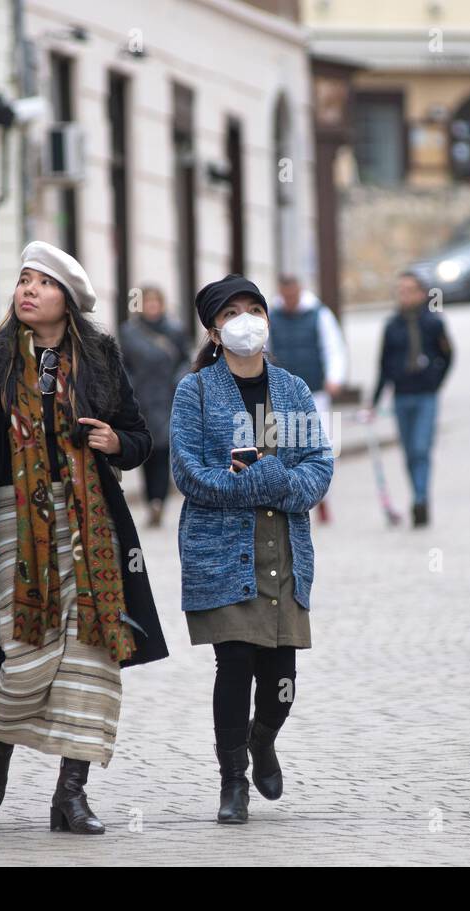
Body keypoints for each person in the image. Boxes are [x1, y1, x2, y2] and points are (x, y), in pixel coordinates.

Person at [0, 240, 169, 835]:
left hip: (92, 525)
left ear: (67, 301)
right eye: (23, 280)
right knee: (27, 652)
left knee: (93, 656)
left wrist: (116, 443)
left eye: (43, 283)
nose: (28, 290)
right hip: (15, 524)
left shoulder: (101, 361)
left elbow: (138, 438)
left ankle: (72, 796)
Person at [169, 274, 334, 825]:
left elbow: (318, 466)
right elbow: (188, 474)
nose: (245, 319)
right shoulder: (194, 391)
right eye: (232, 312)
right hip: (220, 553)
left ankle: (263, 740)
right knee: (234, 664)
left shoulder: (292, 390)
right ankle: (231, 780)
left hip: (282, 551)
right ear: (215, 331)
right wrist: (257, 482)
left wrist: (273, 479)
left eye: (253, 309)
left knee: (280, 682)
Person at [364, 271, 453, 528]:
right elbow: (383, 366)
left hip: (426, 395)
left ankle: (421, 499)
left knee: (421, 448)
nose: (404, 295)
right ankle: (417, 494)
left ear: (421, 293)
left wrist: (436, 381)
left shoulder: (433, 323)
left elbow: (447, 355)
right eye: (400, 290)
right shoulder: (392, 326)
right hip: (401, 396)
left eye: (409, 290)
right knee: (408, 452)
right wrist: (375, 401)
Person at [268, 275, 347, 522]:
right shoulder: (272, 315)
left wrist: (335, 377)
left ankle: (323, 496)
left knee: (323, 444)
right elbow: (266, 349)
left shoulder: (319, 314)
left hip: (315, 389)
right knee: (279, 442)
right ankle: (288, 495)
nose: (289, 299)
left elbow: (333, 347)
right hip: (281, 391)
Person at [119, 285, 190, 527]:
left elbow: (185, 361)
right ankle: (152, 499)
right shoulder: (130, 333)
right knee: (146, 451)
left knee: (162, 450)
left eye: (155, 302)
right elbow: (122, 364)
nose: (151, 307)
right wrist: (128, 387)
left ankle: (158, 500)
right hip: (140, 400)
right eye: (147, 303)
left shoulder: (175, 330)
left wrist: (179, 384)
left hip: (167, 398)